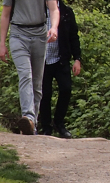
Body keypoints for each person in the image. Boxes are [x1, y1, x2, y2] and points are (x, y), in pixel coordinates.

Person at [0, 0, 60, 135]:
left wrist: (54, 27)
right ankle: (28, 117)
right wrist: (2, 43)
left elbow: (54, 9)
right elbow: (5, 14)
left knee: (37, 83)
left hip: (40, 35)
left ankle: (32, 125)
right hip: (18, 34)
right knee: (25, 75)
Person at [39, 0, 82, 138]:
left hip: (60, 59)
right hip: (42, 60)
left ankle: (59, 123)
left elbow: (73, 37)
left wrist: (77, 59)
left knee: (66, 89)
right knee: (45, 94)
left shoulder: (66, 12)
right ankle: (46, 127)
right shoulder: (37, 12)